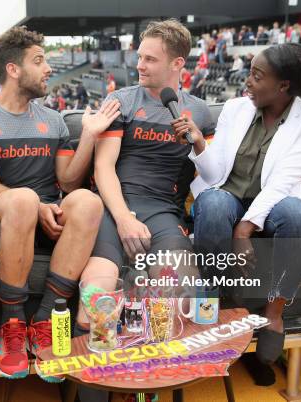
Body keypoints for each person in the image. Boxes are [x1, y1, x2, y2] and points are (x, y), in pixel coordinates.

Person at [0, 26, 118, 381]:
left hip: (49, 217)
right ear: (13, 70)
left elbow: (67, 181)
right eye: (39, 60)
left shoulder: (53, 120)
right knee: (23, 200)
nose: (48, 68)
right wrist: (37, 205)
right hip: (5, 214)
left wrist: (90, 136)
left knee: (88, 202)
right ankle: (12, 325)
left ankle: (45, 318)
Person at [75, 20, 216, 400]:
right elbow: (103, 168)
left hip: (163, 212)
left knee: (176, 295)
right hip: (114, 206)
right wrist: (123, 219)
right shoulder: (123, 100)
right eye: (139, 57)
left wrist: (200, 143)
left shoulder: (200, 112)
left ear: (178, 64)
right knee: (97, 292)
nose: (140, 65)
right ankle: (96, 387)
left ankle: (147, 385)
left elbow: (214, 172)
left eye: (150, 59)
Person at [185, 43, 301, 368]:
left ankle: (274, 313)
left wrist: (245, 228)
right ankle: (218, 305)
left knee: (300, 217)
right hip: (229, 194)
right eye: (249, 73)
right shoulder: (236, 108)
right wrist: (197, 143)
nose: (247, 81)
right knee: (214, 204)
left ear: (283, 85)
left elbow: (281, 182)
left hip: (276, 201)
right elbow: (215, 173)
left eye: (257, 76)